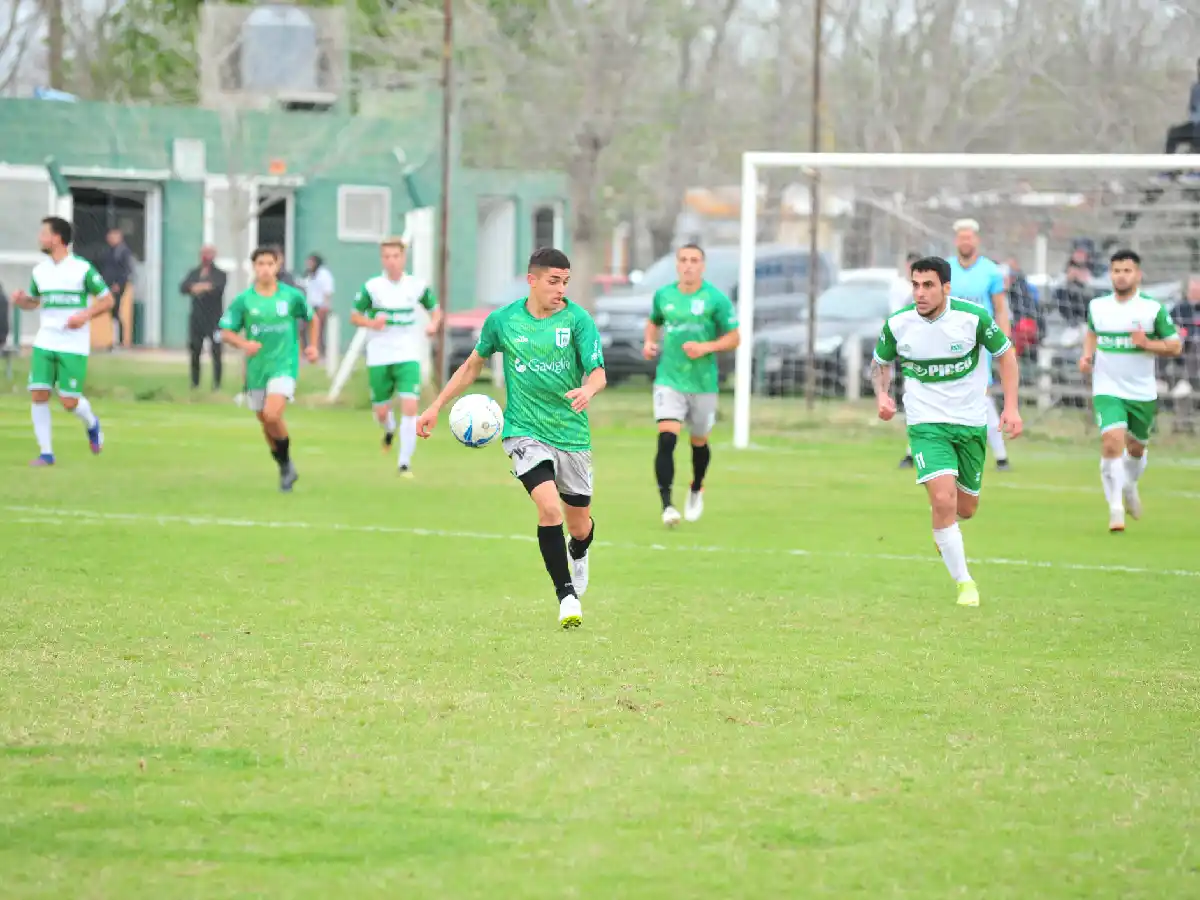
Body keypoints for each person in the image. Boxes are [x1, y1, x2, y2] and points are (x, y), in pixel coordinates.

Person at [417, 248, 606, 629]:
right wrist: (436, 405)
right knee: (548, 508)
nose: (561, 289)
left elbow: (598, 372)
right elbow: (473, 366)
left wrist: (589, 390)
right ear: (532, 280)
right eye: (554, 281)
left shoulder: (577, 320)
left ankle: (579, 550)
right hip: (523, 431)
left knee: (578, 524)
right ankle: (566, 596)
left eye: (566, 282)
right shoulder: (503, 321)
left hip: (571, 434)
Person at [872, 256, 1022, 608]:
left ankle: (944, 530)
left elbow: (1006, 355)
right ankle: (965, 583)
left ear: (946, 288)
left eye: (928, 285)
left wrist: (1012, 407)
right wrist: (882, 394)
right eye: (915, 285)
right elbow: (880, 362)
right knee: (942, 500)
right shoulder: (899, 324)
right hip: (926, 425)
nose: (920, 293)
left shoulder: (973, 319)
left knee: (965, 509)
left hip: (970, 423)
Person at [1078, 250, 1182, 533]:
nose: (1121, 276)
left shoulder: (1152, 309)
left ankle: (1130, 485)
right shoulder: (1098, 306)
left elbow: (1175, 345)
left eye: (1127, 271)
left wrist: (1147, 344)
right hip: (1107, 387)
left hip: (1141, 391)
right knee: (1112, 442)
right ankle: (1115, 510)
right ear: (1110, 274)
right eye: (1116, 270)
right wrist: (1087, 356)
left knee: (1136, 449)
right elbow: (1091, 332)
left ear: (1138, 275)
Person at [641, 243, 739, 527]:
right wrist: (649, 342)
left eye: (694, 260)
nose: (688, 265)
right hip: (669, 379)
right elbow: (653, 322)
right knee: (667, 437)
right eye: (683, 259)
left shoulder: (715, 299)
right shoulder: (664, 295)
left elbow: (735, 337)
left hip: (703, 382)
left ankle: (697, 486)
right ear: (676, 264)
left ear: (702, 266)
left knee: (699, 441)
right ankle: (667, 506)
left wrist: (706, 346)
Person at [10, 216, 113, 466]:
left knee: (69, 401)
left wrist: (85, 316)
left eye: (43, 233)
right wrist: (23, 300)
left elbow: (108, 300)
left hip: (73, 343)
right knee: (38, 393)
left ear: (57, 238)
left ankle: (92, 423)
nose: (39, 238)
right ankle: (46, 453)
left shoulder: (82, 268)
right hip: (46, 339)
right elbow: (35, 303)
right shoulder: (40, 271)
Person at [219, 247, 319, 492]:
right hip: (256, 369)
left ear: (277, 266)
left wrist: (313, 346)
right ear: (254, 267)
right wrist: (244, 344)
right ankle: (285, 466)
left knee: (273, 414)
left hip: (284, 365)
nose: (264, 268)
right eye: (260, 264)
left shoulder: (291, 296)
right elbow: (226, 332)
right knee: (265, 421)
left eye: (269, 263)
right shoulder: (244, 300)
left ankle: (286, 465)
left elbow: (312, 318)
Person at [350, 236, 442, 477]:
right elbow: (354, 316)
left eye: (396, 256)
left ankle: (404, 463)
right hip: (379, 353)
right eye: (387, 257)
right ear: (382, 259)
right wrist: (372, 322)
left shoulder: (416, 286)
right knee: (381, 411)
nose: (391, 261)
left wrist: (433, 325)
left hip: (407, 352)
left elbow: (435, 310)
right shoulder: (373, 287)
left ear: (403, 258)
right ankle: (389, 428)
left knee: (410, 404)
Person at [180, 245, 227, 391]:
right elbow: (183, 287)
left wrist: (199, 288)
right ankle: (195, 383)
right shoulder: (194, 273)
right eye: (203, 253)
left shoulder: (220, 273)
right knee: (195, 351)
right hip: (197, 319)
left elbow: (217, 288)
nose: (206, 256)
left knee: (216, 352)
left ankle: (217, 384)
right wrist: (203, 286)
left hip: (215, 320)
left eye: (209, 253)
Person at [99, 227, 136, 349]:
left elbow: (126, 270)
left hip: (117, 286)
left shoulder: (123, 252)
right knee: (112, 312)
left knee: (116, 311)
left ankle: (118, 341)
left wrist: (119, 284)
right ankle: (115, 340)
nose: (109, 238)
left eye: (112, 236)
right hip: (108, 285)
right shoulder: (109, 251)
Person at [303, 253, 335, 359]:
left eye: (311, 262)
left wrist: (325, 306)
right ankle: (309, 350)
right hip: (310, 306)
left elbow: (327, 291)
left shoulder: (324, 274)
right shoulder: (309, 274)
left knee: (319, 330)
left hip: (320, 306)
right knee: (307, 329)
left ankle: (321, 352)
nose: (309, 264)